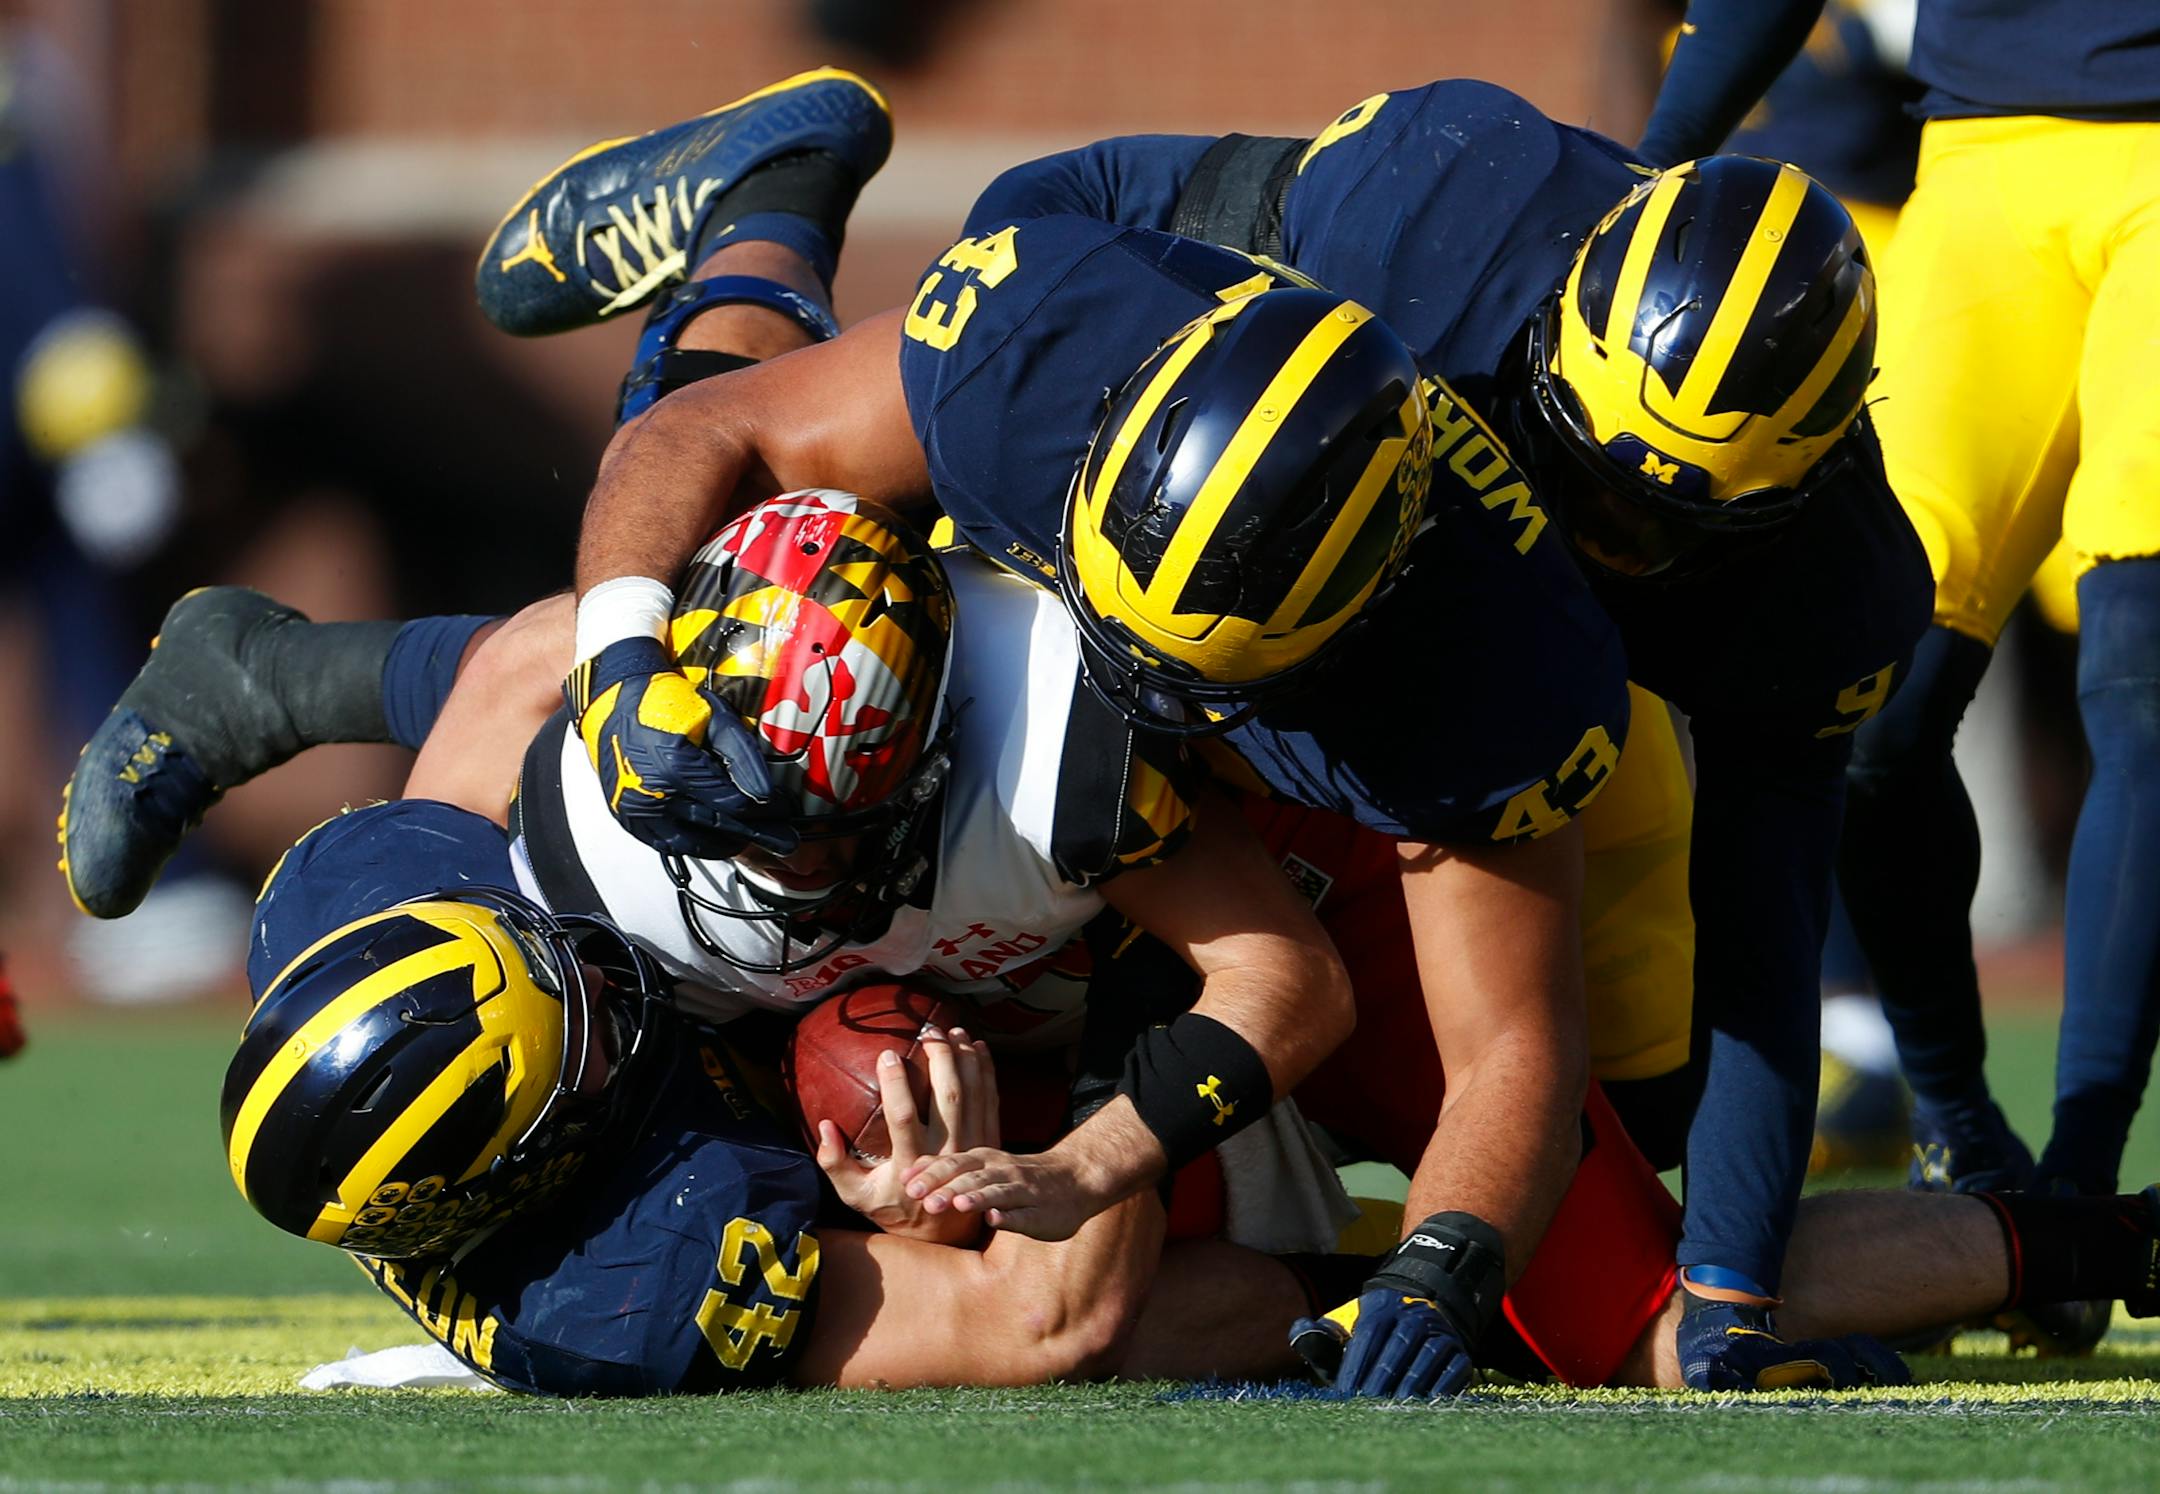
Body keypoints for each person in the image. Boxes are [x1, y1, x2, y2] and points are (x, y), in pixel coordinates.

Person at [454, 77, 1647, 1404]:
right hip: (1016, 753)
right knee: (643, 577)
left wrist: (1441, 1266)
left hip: (1297, 878)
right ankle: (768, 204)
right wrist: (619, 659)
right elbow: (707, 437)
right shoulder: (1030, 362)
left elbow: (1471, 1037)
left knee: (1630, 1277)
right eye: (1112, 620)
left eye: (1178, 673)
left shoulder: (1465, 694)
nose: (1120, 686)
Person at [875, 82, 1933, 1393]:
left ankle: (2053, 1214)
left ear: (1792, 497)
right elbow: (1100, 235)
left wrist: (1722, 1288)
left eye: (1648, 527)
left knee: (1641, 1108)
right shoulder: (1440, 217)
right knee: (869, 654)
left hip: (1427, 698)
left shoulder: (1761, 615)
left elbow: (1762, 939)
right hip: (1200, 565)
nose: (1594, 529)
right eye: (1573, 456)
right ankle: (757, 245)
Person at [1637, 0, 2160, 1266]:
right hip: (1976, 169)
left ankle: (2084, 1172)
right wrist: (1651, 162)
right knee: (1867, 693)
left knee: (2140, 681)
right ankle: (1962, 1129)